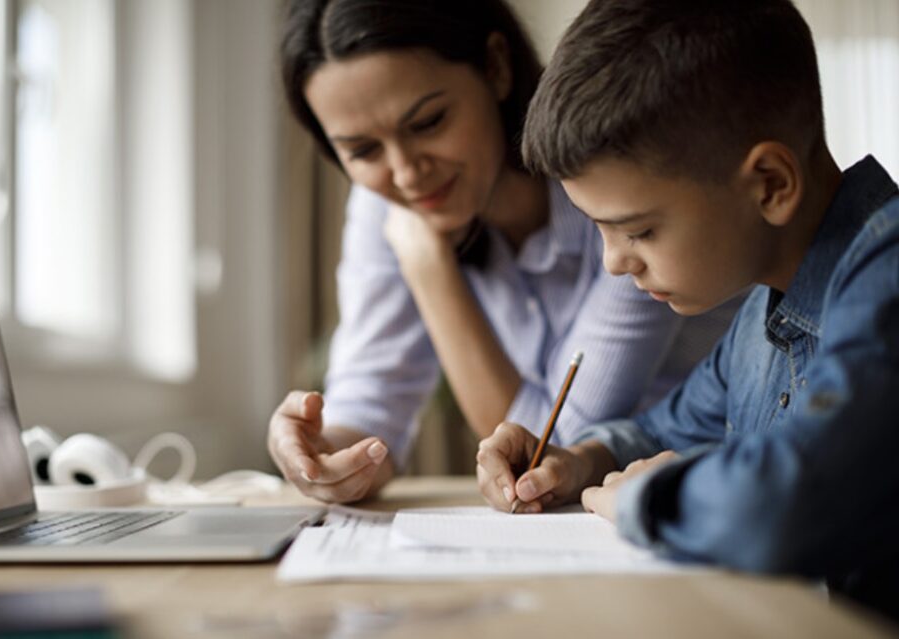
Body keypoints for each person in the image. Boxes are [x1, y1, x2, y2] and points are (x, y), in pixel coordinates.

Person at [475, 0, 899, 620]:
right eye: (599, 229)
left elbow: (788, 503)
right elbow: (661, 431)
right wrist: (578, 461)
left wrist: (646, 498)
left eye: (638, 231)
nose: (613, 263)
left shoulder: (886, 274)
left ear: (770, 185)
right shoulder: (760, 314)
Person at [269, 0, 736, 504]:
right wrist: (322, 456)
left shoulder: (617, 188)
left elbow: (554, 445)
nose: (405, 173)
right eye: (362, 151)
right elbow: (370, 403)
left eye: (428, 122)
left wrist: (429, 268)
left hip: (700, 496)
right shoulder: (389, 204)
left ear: (495, 67)